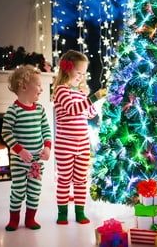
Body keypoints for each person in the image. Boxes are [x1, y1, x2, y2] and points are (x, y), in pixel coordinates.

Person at [52, 50, 106, 225]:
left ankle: (80, 212)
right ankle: (62, 213)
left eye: (84, 73)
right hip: (65, 145)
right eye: (78, 72)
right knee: (64, 180)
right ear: (67, 69)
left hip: (82, 144)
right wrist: (93, 97)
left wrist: (90, 99)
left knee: (81, 180)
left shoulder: (81, 93)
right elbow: (73, 109)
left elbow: (89, 114)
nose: (81, 77)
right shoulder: (61, 90)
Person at [2, 65, 52, 231]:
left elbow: (46, 130)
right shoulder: (13, 110)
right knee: (18, 190)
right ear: (24, 86)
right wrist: (20, 150)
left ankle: (30, 219)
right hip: (19, 162)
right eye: (38, 85)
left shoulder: (39, 109)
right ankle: (13, 220)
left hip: (36, 162)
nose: (42, 89)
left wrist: (47, 148)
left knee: (34, 191)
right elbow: (6, 132)